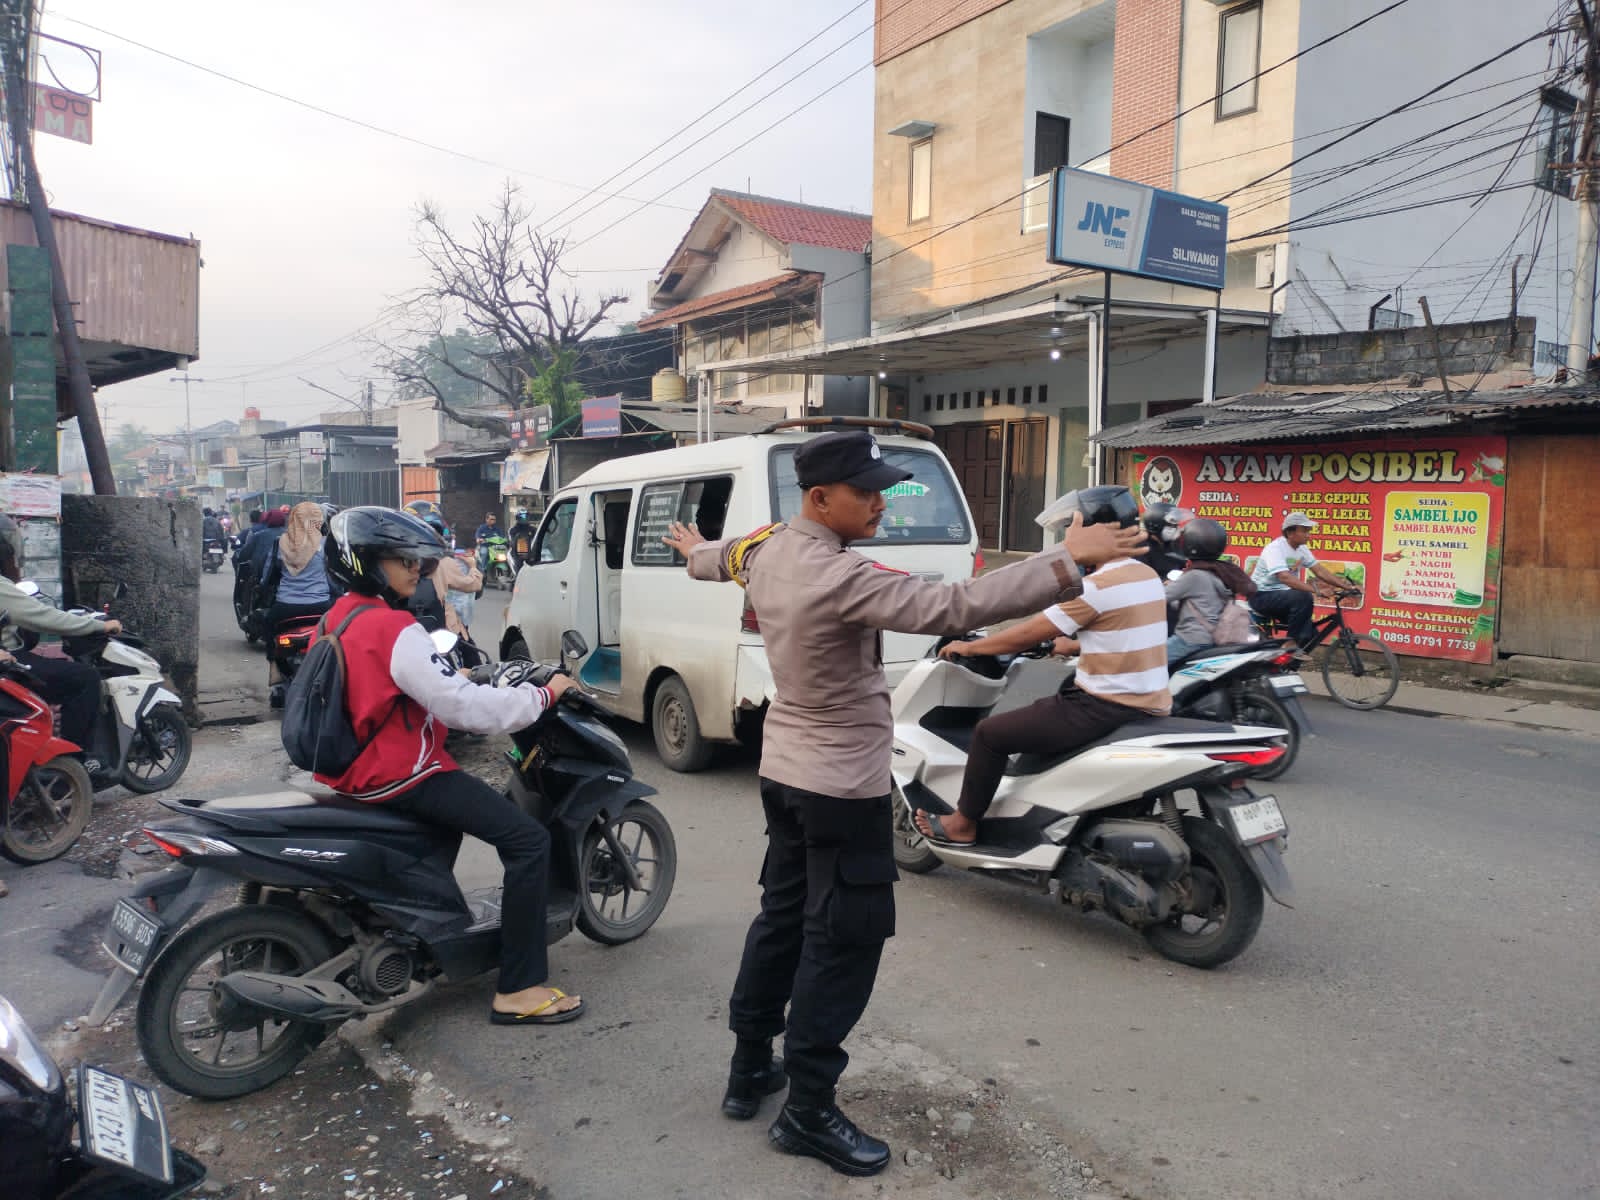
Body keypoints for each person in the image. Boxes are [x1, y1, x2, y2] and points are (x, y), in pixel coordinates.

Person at [661, 431, 1142, 1177]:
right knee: (843, 940)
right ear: (821, 499)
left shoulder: (766, 549)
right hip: (838, 783)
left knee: (783, 918)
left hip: (784, 772)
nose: (882, 501)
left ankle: (749, 1068)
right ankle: (808, 1112)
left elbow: (716, 559)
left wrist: (695, 546)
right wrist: (1070, 558)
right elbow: (953, 606)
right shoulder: (835, 576)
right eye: (867, 491)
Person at [315, 506, 585, 1025]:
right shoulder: (394, 629)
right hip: (402, 776)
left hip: (352, 773)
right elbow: (468, 710)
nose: (415, 569)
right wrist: (542, 697)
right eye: (401, 560)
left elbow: (387, 689)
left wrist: (452, 675)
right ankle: (520, 988)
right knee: (529, 840)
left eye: (415, 559)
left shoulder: (337, 617)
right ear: (367, 564)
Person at [913, 486, 1170, 849]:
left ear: (1093, 527)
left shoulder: (1096, 586)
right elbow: (1122, 631)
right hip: (1149, 701)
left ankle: (962, 824)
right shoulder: (1145, 577)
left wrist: (969, 645)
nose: (1067, 536)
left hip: (1102, 706)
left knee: (989, 734)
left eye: (1072, 526)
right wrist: (1074, 644)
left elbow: (1025, 634)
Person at [0, 521, 118, 773]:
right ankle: (77, 758)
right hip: (8, 665)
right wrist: (98, 626)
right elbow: (45, 617)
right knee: (84, 678)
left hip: (10, 659)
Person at [259, 502, 338, 708]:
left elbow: (267, 577)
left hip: (286, 608)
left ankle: (275, 669)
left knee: (267, 624)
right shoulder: (324, 544)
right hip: (320, 606)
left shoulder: (281, 543)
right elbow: (333, 579)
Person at [1248, 512, 1349, 655]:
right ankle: (1290, 643)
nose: (1308, 534)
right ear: (1290, 532)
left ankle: (1287, 667)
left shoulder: (1302, 549)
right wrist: (1317, 590)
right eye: (1304, 531)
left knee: (1310, 635)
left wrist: (1347, 586)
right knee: (1303, 596)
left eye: (1309, 531)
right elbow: (1285, 577)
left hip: (1283, 598)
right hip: (1261, 596)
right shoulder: (1275, 549)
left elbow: (1319, 571)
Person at [1163, 518, 1257, 664]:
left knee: (1149, 662)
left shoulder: (1194, 576)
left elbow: (1160, 597)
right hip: (1215, 637)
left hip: (1190, 639)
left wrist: (1164, 585)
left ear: (1189, 544)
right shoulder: (1221, 571)